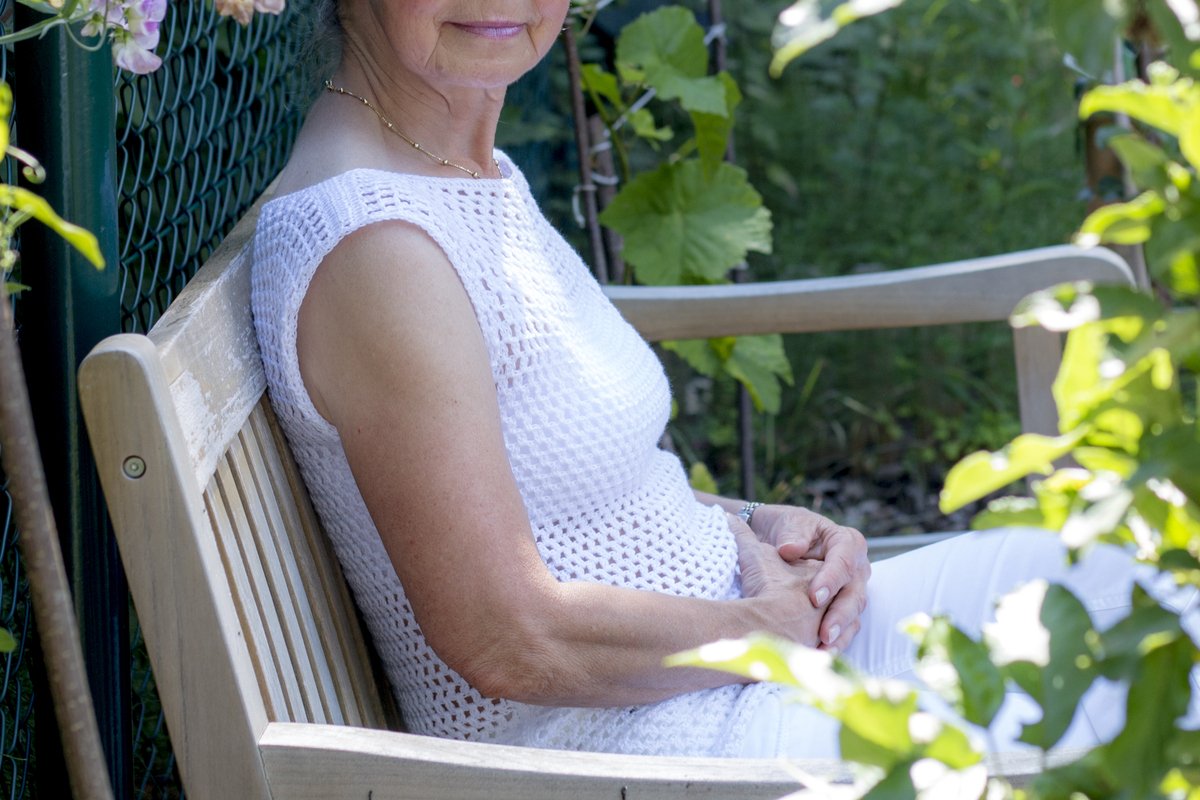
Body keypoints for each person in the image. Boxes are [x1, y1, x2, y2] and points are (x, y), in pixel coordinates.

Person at [250, 0, 1196, 758]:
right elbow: (506, 637)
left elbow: (559, 493)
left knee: (1147, 588)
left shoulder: (456, 163)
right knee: (1147, 700)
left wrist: (758, 523)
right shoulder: (379, 247)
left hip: (718, 660)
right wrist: (758, 630)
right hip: (646, 745)